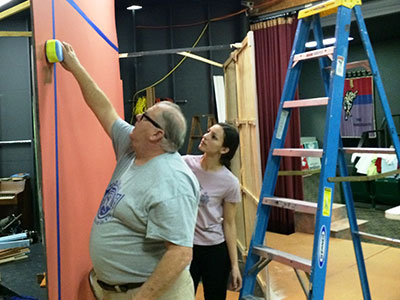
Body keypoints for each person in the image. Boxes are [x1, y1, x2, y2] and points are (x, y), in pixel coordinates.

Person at [60, 42, 200, 300]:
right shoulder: (132, 147)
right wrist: (74, 66)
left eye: (144, 117)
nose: (136, 118)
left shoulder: (173, 181)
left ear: (157, 134)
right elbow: (103, 108)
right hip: (119, 291)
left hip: (152, 294)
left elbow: (180, 253)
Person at [183, 123, 242, 300]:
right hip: (185, 246)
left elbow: (230, 224)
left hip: (215, 250)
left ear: (224, 149)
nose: (206, 136)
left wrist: (235, 266)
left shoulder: (230, 182)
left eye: (213, 137)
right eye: (208, 131)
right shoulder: (184, 164)